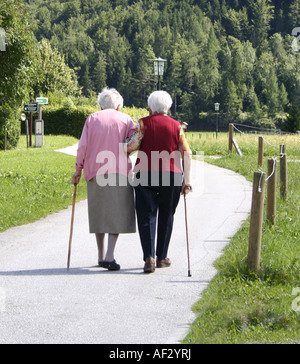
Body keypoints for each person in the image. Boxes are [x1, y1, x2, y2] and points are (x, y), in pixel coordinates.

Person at [126, 90, 192, 273]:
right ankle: (162, 257)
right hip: (171, 175)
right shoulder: (176, 126)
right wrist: (187, 180)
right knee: (166, 214)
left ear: (150, 107)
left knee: (146, 215)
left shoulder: (143, 124)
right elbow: (187, 153)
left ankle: (149, 257)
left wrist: (122, 147)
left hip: (145, 173)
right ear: (169, 108)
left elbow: (132, 146)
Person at [72, 87, 136, 271]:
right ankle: (110, 255)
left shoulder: (92, 119)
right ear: (118, 106)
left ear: (100, 105)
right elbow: (133, 145)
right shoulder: (126, 119)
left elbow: (82, 147)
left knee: (99, 212)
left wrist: (78, 170)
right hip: (119, 172)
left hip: (95, 172)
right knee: (115, 213)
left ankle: (100, 255)